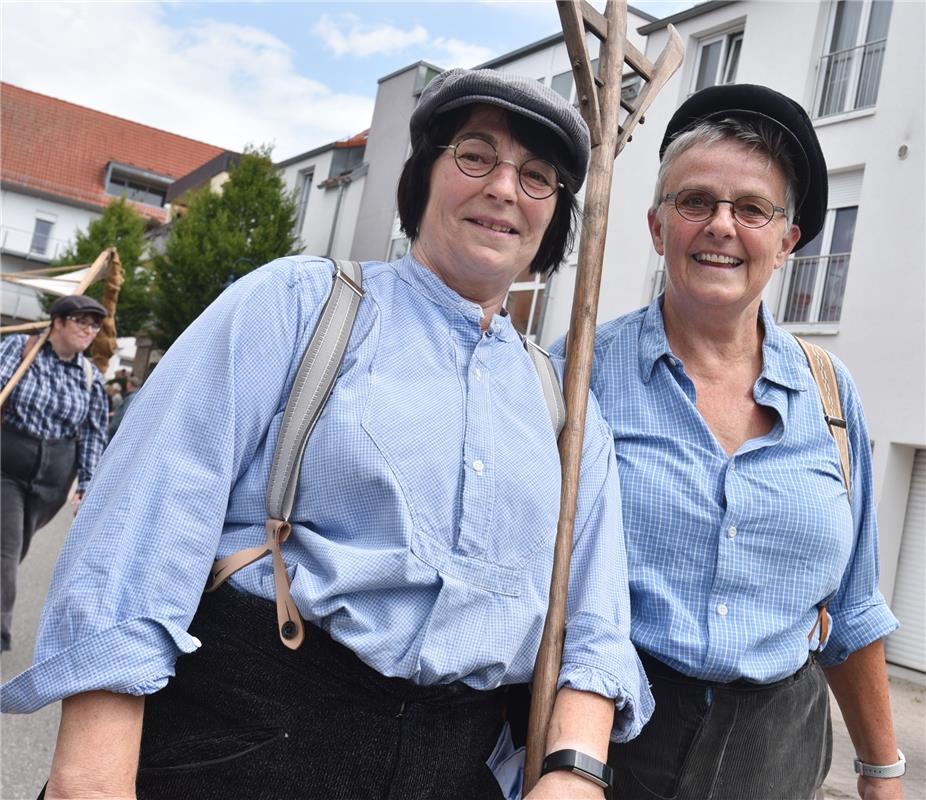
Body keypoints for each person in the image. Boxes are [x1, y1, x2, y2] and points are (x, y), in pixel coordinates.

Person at [1, 69, 653, 800]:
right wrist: (91, 777)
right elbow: (138, 534)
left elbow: (595, 623)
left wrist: (575, 774)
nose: (505, 187)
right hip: (249, 742)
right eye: (476, 155)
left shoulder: (565, 410)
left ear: (556, 215)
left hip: (457, 767)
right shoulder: (299, 305)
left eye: (537, 177)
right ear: (424, 176)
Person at [556, 84, 903, 799]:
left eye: (751, 209)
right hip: (612, 740)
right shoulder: (579, 372)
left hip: (776, 752)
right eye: (696, 202)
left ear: (787, 242)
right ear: (657, 228)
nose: (721, 225)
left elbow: (854, 609)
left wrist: (882, 772)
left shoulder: (832, 397)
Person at [0, 294, 109, 652]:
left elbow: (93, 433)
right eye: (81, 321)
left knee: (13, 552)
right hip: (7, 467)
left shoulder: (90, 375)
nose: (89, 331)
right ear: (58, 322)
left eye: (94, 325)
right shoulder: (21, 348)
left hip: (52, 483)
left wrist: (87, 483)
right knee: (5, 548)